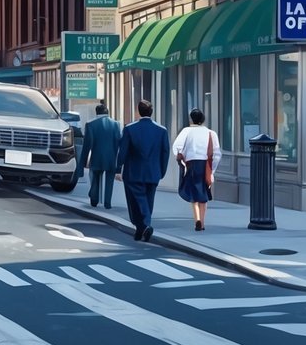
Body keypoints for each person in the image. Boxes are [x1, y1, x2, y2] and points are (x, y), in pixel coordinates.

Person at [116, 99, 169, 242]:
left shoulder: (129, 129)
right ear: (151, 112)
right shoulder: (162, 131)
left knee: (136, 201)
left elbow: (123, 152)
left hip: (133, 173)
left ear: (138, 111)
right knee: (148, 200)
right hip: (153, 172)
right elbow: (165, 153)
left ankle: (145, 224)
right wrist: (162, 171)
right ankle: (140, 230)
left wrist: (117, 168)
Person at [173, 108, 222, 231]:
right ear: (203, 119)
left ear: (191, 119)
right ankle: (203, 222)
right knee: (203, 194)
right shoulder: (211, 133)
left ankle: (197, 220)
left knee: (193, 195)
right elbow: (216, 153)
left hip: (191, 164)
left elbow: (177, 147)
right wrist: (212, 170)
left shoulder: (186, 131)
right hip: (205, 164)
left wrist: (182, 161)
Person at [78, 104, 122, 209]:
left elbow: (86, 146)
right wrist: (119, 164)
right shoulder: (116, 124)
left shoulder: (91, 124)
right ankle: (107, 203)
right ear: (107, 112)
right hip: (111, 158)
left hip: (97, 157)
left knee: (95, 178)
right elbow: (119, 143)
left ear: (96, 112)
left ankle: (94, 199)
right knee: (110, 180)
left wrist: (82, 165)